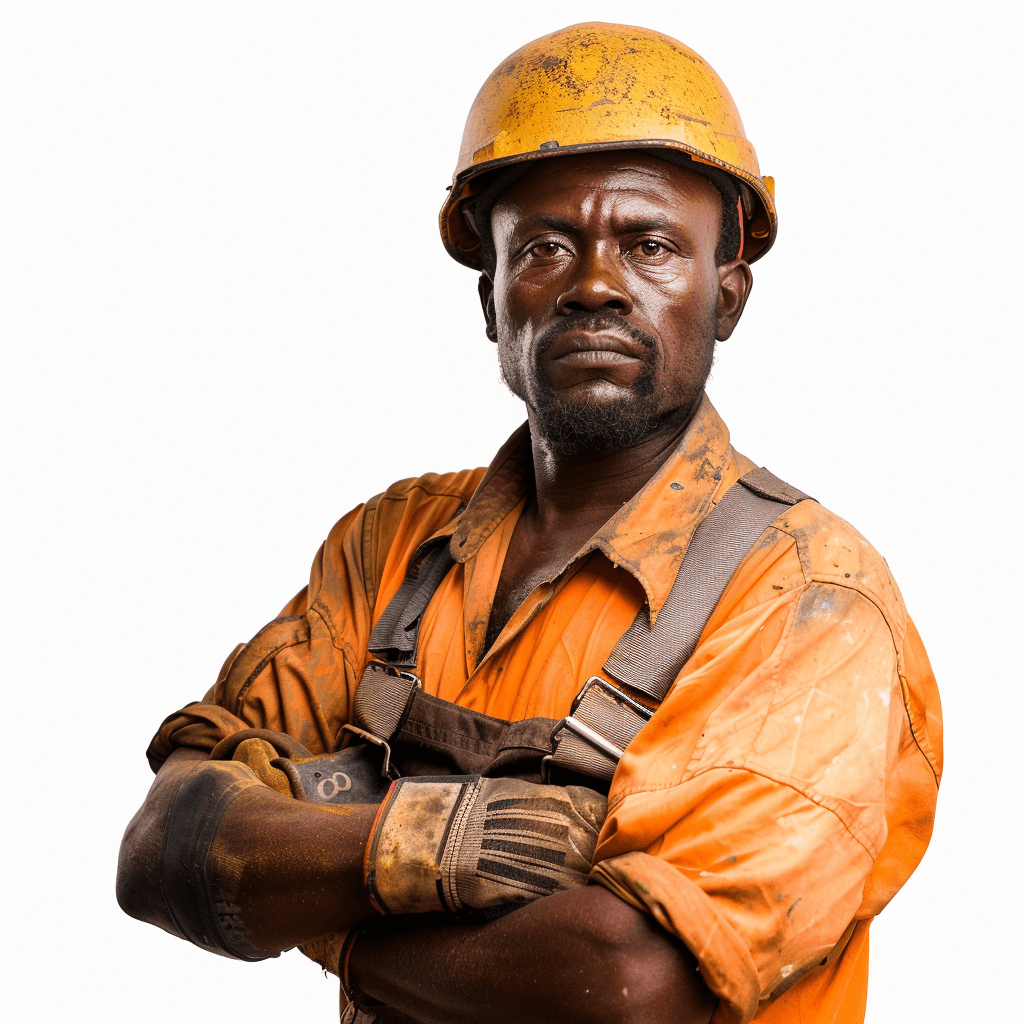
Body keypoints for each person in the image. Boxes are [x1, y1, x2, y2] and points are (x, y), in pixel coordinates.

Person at [116, 22, 941, 1024]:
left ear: (727, 292)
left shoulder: (811, 599)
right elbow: (166, 850)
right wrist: (427, 843)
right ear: (490, 295)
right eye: (545, 246)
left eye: (650, 245)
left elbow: (626, 985)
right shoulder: (387, 549)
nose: (594, 283)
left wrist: (322, 906)